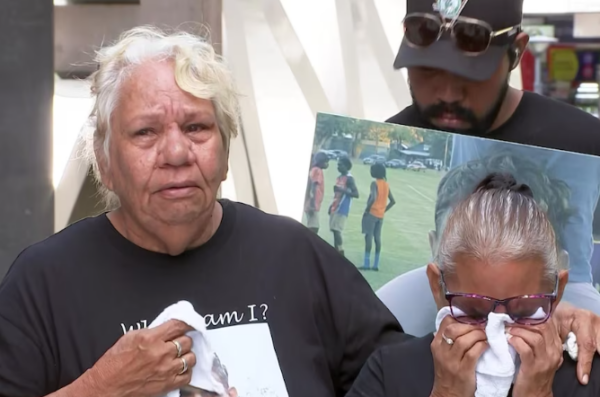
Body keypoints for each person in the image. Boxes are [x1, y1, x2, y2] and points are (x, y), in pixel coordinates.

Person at [0, 26, 408, 397]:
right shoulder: (44, 282)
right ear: (105, 164)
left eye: (196, 127)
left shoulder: (294, 255)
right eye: (146, 132)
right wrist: (102, 387)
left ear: (225, 152)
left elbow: (403, 378)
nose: (176, 153)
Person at [387, 0, 600, 314]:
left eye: (470, 74)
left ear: (516, 51)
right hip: (452, 286)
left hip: (564, 294)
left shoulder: (585, 137)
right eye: (428, 69)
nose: (447, 94)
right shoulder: (398, 130)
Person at [348, 173, 600, 397]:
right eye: (473, 311)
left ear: (556, 293)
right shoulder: (390, 372)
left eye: (523, 310)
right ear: (438, 287)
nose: (497, 331)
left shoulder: (588, 376)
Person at [360, 163, 395, 271]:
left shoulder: (374, 183)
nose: (370, 172)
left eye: (372, 170)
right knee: (377, 238)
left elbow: (373, 197)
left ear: (376, 172)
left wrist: (367, 209)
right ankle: (375, 264)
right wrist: (383, 210)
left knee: (368, 237)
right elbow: (393, 201)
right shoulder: (386, 184)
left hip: (372, 213)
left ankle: (366, 263)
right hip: (380, 215)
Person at [328, 156, 359, 256]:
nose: (338, 167)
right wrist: (330, 205)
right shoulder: (339, 177)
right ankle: (336, 251)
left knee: (337, 230)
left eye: (340, 165)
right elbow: (336, 193)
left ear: (346, 166)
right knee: (333, 230)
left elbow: (356, 194)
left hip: (342, 208)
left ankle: (341, 253)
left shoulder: (349, 179)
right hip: (335, 206)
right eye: (337, 165)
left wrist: (342, 190)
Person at [304, 151, 329, 233]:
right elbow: (313, 186)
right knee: (314, 227)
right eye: (326, 162)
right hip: (312, 203)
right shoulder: (317, 171)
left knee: (313, 225)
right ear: (321, 162)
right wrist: (312, 203)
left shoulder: (314, 170)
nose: (327, 164)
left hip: (312, 202)